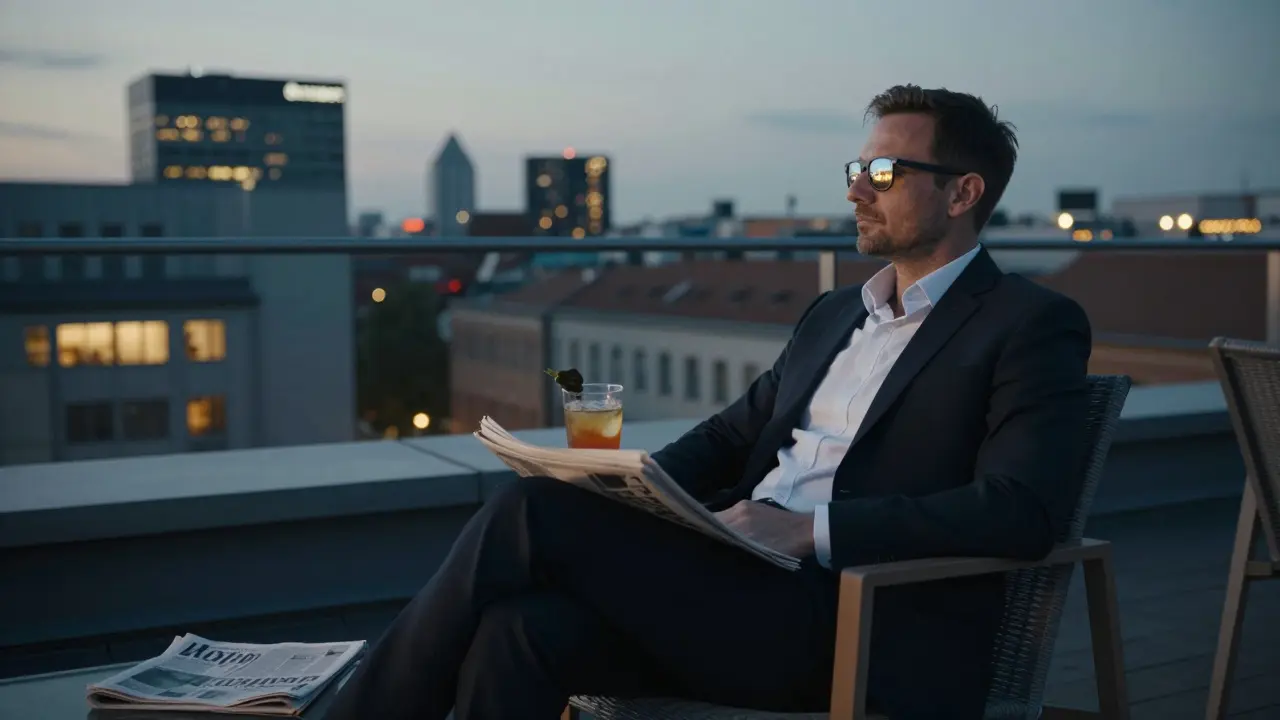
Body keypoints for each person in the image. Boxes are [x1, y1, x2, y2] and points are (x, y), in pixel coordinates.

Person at [325, 85, 1092, 720]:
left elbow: (1022, 510)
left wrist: (809, 531)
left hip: (862, 619)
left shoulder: (1027, 322)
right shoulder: (835, 314)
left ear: (963, 192)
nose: (858, 187)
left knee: (528, 514)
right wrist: (628, 488)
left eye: (886, 170)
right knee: (519, 631)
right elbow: (732, 436)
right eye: (856, 167)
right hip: (736, 587)